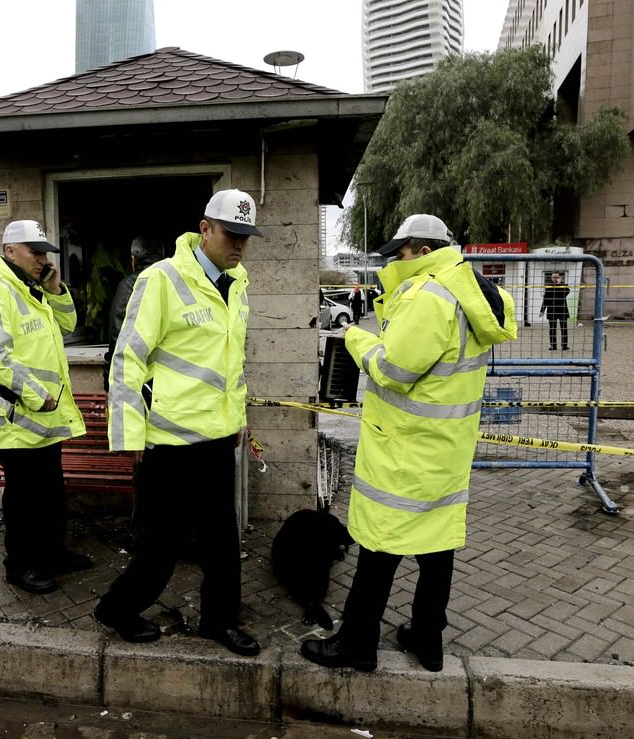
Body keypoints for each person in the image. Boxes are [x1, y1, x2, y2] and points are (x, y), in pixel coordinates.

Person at [300, 214, 517, 673]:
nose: (395, 260)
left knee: (380, 548)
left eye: (400, 251)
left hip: (405, 449)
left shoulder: (430, 294)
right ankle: (427, 641)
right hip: (447, 449)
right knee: (436, 549)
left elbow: (394, 370)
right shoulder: (470, 292)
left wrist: (357, 338)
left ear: (421, 250)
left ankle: (357, 644)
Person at [96, 188, 263, 657]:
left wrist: (237, 422)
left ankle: (219, 621)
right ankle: (117, 610)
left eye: (247, 238)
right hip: (168, 443)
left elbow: (230, 366)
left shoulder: (238, 283)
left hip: (216, 442)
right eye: (232, 235)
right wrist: (128, 434)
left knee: (222, 541)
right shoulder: (162, 279)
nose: (240, 246)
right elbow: (128, 357)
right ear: (204, 228)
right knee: (160, 545)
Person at [0, 219, 91, 595]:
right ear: (10, 251)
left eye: (45, 254)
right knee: (24, 498)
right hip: (15, 416)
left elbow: (69, 325)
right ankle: (19, 566)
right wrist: (38, 395)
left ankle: (53, 553)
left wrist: (56, 289)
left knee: (51, 492)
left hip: (43, 418)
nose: (42, 260)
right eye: (35, 252)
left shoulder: (34, 291)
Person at [102, 237, 163, 393]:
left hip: (138, 378)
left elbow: (117, 334)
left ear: (133, 259)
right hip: (170, 377)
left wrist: (110, 380)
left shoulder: (130, 285)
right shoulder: (176, 281)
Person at [540, 271, 570, 350]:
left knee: (564, 329)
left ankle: (564, 345)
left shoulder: (564, 285)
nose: (555, 279)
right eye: (553, 277)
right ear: (551, 278)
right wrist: (542, 310)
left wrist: (559, 284)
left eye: (556, 277)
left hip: (562, 310)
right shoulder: (549, 286)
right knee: (552, 329)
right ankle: (553, 345)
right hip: (552, 310)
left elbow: (566, 293)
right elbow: (546, 298)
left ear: (560, 277)